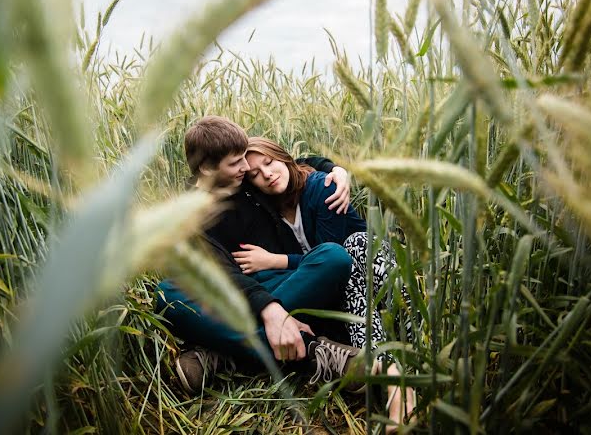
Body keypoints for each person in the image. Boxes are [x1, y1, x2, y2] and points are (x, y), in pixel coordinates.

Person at [155, 116, 365, 394]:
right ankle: (315, 353)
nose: (248, 167)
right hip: (232, 294)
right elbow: (222, 276)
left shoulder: (248, 180)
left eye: (245, 159)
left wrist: (335, 169)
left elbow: (292, 161)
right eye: (236, 162)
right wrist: (270, 310)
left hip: (287, 283)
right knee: (166, 294)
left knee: (333, 258)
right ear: (207, 168)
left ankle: (222, 352)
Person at [243, 136, 417, 430]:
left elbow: (333, 257)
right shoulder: (268, 210)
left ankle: (396, 380)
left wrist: (276, 260)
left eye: (269, 163)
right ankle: (392, 376)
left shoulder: (321, 188)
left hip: (377, 276)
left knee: (355, 244)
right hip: (342, 299)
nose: (267, 175)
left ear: (283, 157)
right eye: (255, 174)